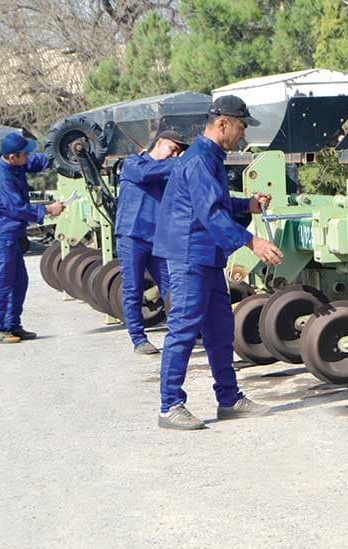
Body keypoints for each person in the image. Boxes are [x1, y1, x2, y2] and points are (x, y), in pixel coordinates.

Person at [153, 95, 283, 431]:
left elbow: (216, 201)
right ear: (222, 123)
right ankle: (170, 406)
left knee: (220, 329)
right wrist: (252, 241)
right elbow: (209, 213)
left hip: (204, 255)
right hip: (188, 254)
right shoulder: (198, 160)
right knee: (183, 328)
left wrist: (247, 205)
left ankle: (228, 399)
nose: (242, 135)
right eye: (240, 127)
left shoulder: (209, 157)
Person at [0, 132, 64, 344]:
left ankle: (12, 325)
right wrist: (48, 209)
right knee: (3, 280)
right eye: (24, 154)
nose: (27, 157)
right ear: (11, 157)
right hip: (1, 232)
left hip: (10, 230)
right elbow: (17, 208)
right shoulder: (3, 179)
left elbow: (35, 160)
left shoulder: (14, 163)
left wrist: (59, 154)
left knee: (19, 280)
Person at [115, 130, 189, 355]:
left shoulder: (168, 172)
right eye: (172, 148)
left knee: (171, 287)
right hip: (131, 236)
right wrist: (180, 164)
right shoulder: (133, 163)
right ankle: (138, 339)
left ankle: (182, 333)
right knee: (133, 287)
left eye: (178, 151)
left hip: (158, 240)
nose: (174, 153)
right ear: (160, 142)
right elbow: (145, 174)